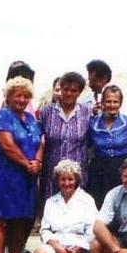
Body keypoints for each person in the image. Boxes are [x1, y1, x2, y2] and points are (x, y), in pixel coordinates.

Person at [0, 76, 45, 253]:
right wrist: (27, 164)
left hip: (26, 177)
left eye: (25, 96)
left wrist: (37, 161)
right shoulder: (2, 116)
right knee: (1, 219)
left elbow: (41, 142)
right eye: (17, 96)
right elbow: (7, 145)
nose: (21, 100)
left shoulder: (30, 119)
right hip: (4, 175)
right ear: (8, 97)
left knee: (21, 219)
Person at [33, 159, 98, 253]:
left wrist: (77, 249)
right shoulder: (51, 202)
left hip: (80, 251)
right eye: (62, 179)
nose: (66, 183)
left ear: (77, 180)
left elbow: (92, 230)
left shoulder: (87, 201)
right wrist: (57, 247)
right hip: (58, 247)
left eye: (70, 179)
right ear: (57, 181)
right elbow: (45, 229)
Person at [39, 71, 92, 206]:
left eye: (74, 90)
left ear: (79, 92)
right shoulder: (47, 112)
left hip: (76, 176)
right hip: (51, 175)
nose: (69, 93)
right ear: (60, 89)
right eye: (66, 89)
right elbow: (39, 140)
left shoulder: (87, 112)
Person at [87, 85, 127, 208]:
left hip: (122, 168)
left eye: (115, 102)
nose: (112, 105)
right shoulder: (93, 123)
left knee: (122, 204)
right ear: (102, 103)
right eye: (108, 101)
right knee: (100, 204)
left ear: (120, 103)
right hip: (99, 170)